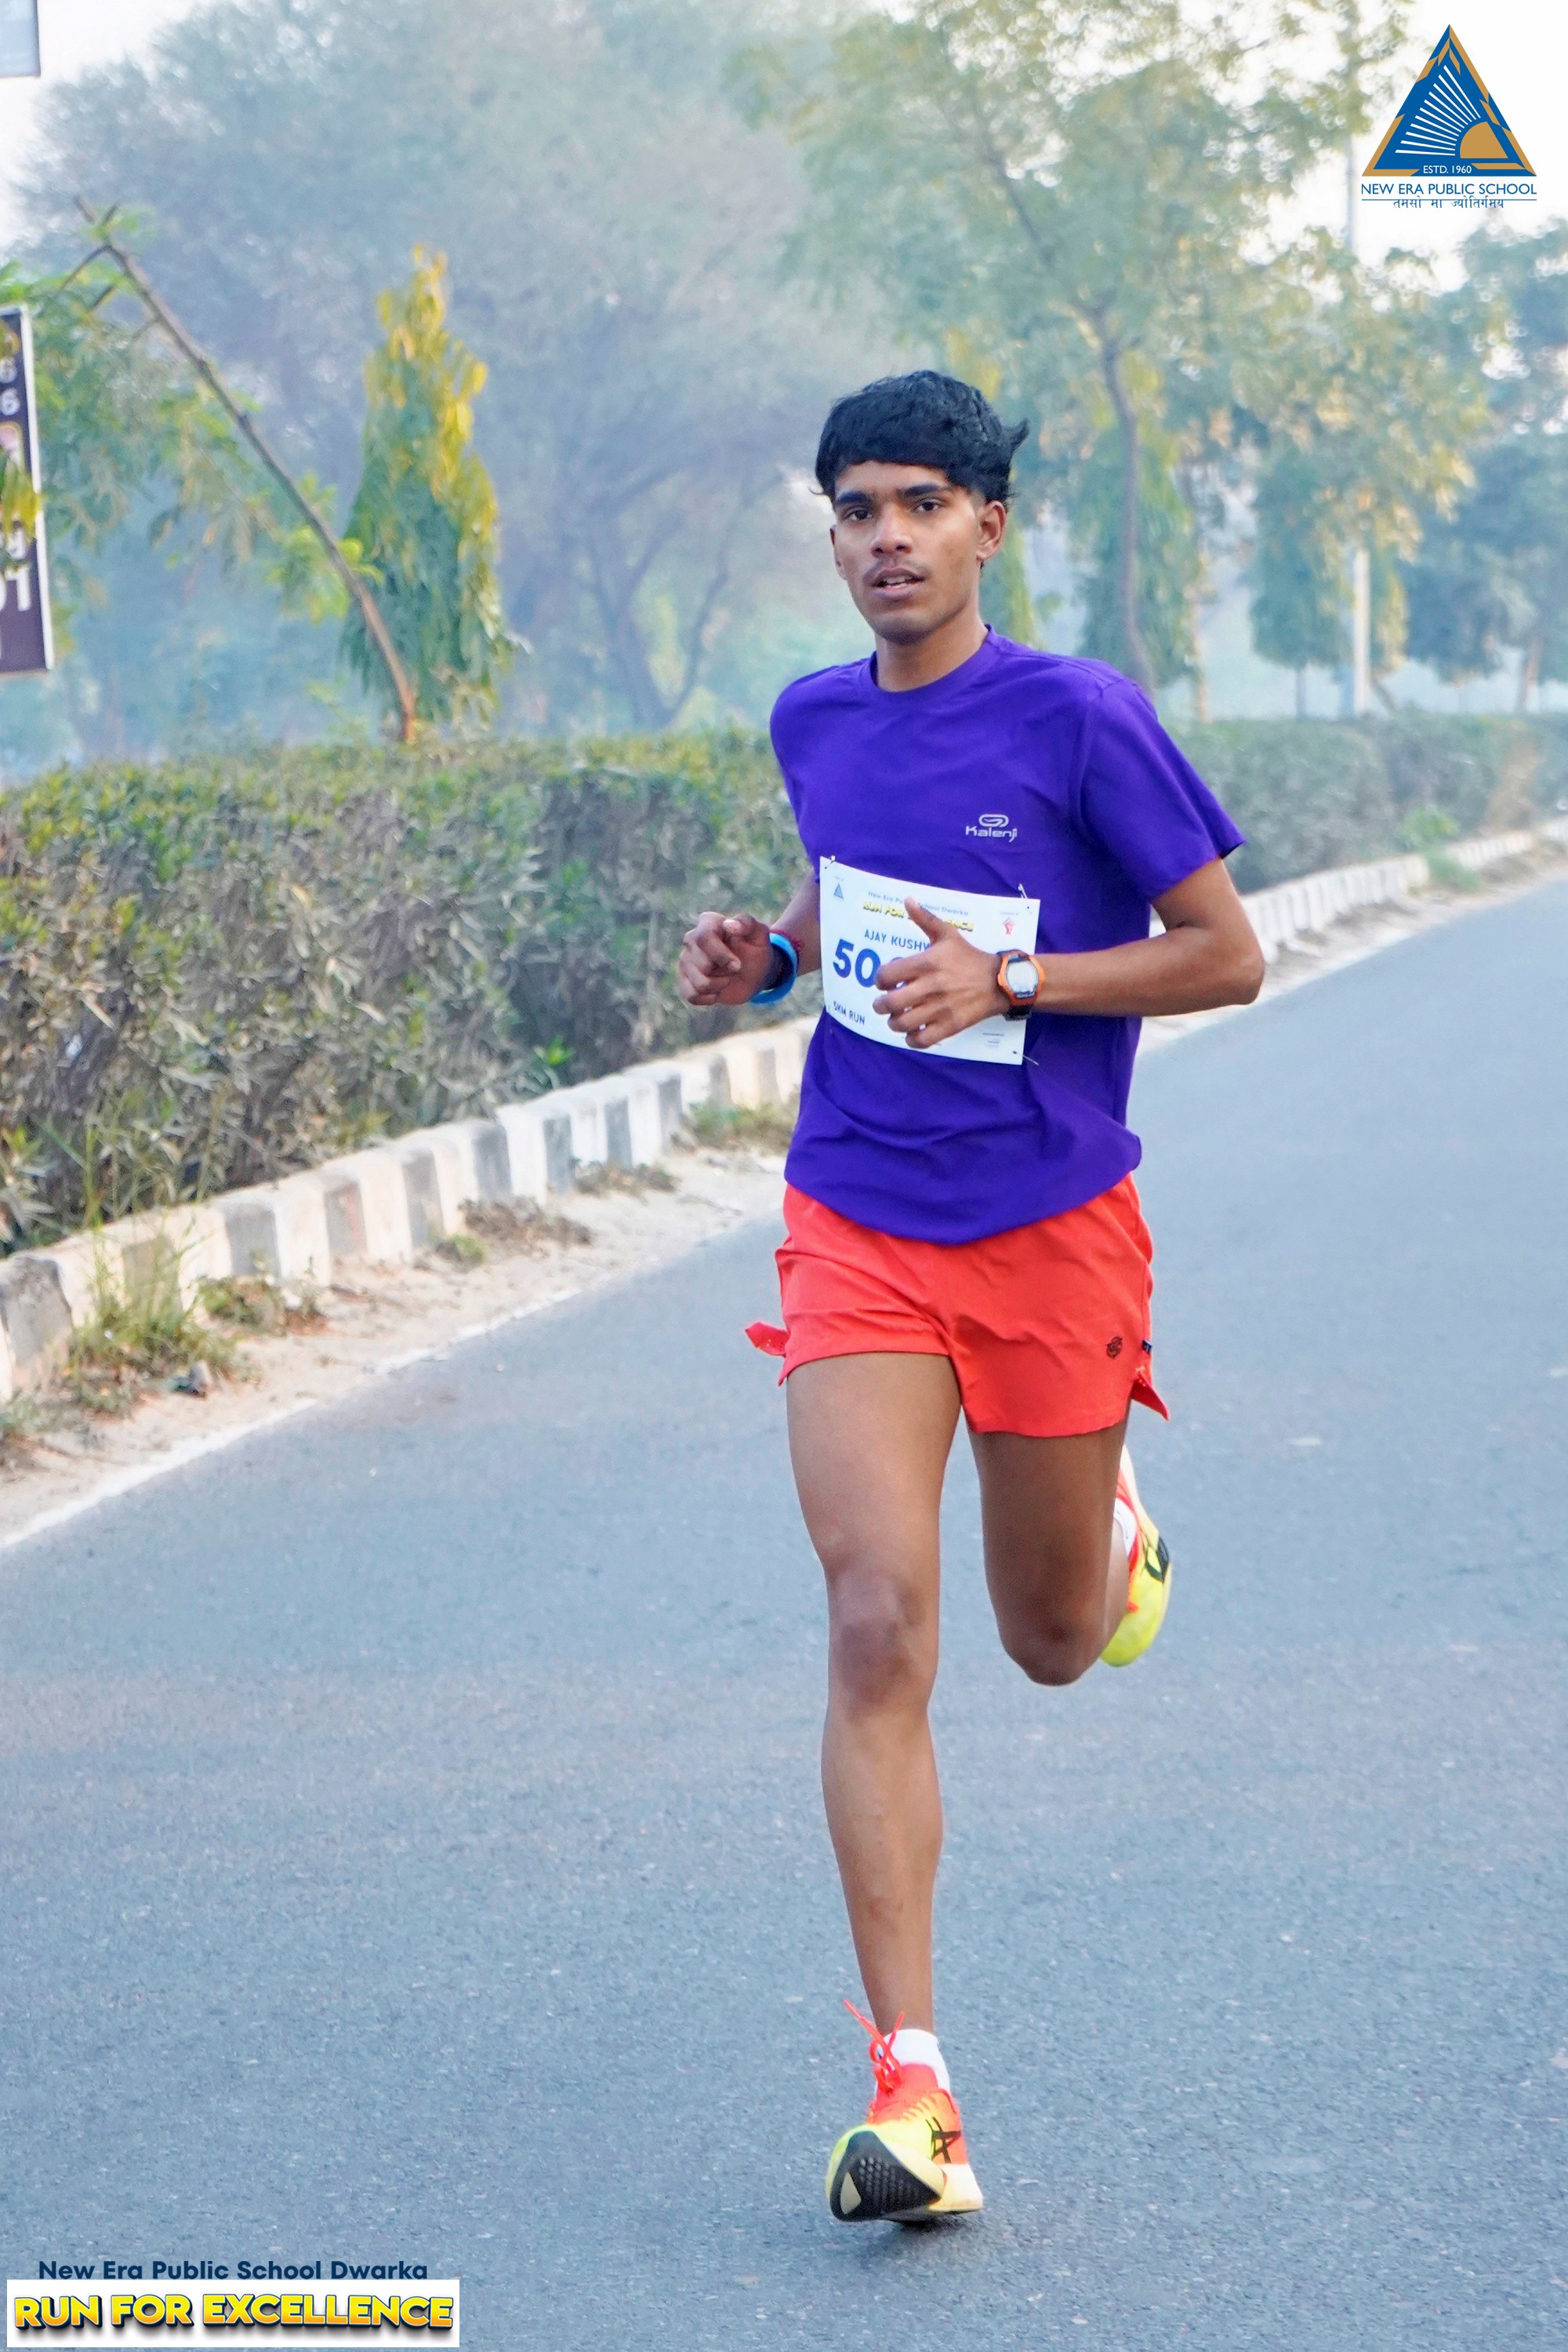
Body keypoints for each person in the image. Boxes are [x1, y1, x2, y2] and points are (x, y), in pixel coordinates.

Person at [677, 371, 1263, 2226]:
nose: (886, 540)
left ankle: (1107, 1525)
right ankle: (912, 2092)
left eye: (921, 505)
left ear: (988, 525)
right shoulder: (813, 718)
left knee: (1051, 1639)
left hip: (1049, 1226)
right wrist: (768, 957)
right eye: (855, 509)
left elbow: (1225, 955)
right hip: (854, 1209)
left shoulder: (1079, 718)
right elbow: (840, 895)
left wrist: (1015, 987)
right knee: (874, 1620)